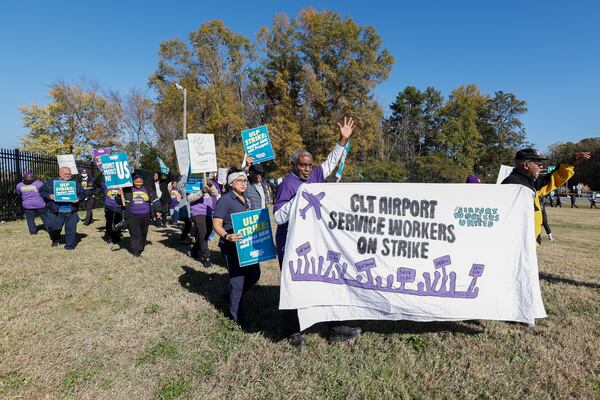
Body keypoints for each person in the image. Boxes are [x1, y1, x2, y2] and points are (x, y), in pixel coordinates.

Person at [274, 117, 361, 347]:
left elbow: (331, 162)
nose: (307, 168)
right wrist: (300, 198)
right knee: (292, 288)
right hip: (289, 245)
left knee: (322, 284)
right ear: (294, 165)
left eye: (310, 165)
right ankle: (292, 332)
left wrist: (343, 138)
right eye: (302, 165)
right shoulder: (287, 185)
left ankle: (335, 328)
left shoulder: (314, 176)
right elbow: (278, 216)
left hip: (313, 243)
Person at [501, 148, 590, 244]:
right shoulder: (512, 185)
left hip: (530, 243)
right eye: (538, 164)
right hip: (519, 245)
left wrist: (573, 161)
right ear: (526, 165)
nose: (541, 167)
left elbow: (555, 177)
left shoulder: (532, 182)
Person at [213, 168, 260, 326]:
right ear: (231, 183)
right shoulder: (225, 200)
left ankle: (230, 296)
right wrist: (227, 235)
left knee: (254, 275)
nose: (243, 183)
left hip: (247, 247)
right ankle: (237, 320)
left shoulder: (247, 199)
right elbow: (216, 224)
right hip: (231, 246)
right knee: (237, 282)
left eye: (245, 181)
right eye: (239, 181)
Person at [39, 166, 86, 249]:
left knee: (71, 228)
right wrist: (50, 196)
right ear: (60, 174)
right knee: (53, 228)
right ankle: (55, 239)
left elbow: (83, 193)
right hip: (56, 210)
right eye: (66, 174)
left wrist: (78, 198)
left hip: (71, 210)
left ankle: (69, 245)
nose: (68, 176)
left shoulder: (74, 183)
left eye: (69, 174)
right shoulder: (51, 182)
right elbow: (42, 192)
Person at [120, 173, 157, 257]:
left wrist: (157, 211)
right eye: (136, 182)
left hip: (145, 215)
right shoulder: (127, 189)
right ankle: (135, 251)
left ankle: (140, 247)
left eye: (140, 182)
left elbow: (155, 200)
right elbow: (120, 202)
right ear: (133, 181)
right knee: (134, 233)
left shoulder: (148, 189)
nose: (138, 184)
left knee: (143, 233)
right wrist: (119, 195)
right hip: (132, 215)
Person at [187, 175, 220, 268]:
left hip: (208, 211)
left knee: (207, 233)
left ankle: (194, 250)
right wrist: (202, 192)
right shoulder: (191, 181)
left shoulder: (207, 181)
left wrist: (211, 186)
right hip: (197, 212)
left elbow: (216, 193)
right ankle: (206, 257)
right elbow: (189, 198)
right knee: (203, 233)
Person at [95, 176, 124, 248]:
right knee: (109, 222)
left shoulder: (121, 187)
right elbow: (97, 182)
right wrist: (101, 173)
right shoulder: (106, 186)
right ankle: (109, 237)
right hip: (109, 206)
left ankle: (116, 237)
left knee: (117, 223)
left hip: (118, 207)